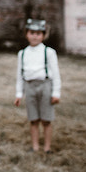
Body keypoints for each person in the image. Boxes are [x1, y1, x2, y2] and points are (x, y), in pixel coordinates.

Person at [15, 18, 61, 153]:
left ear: (43, 35)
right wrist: (19, 93)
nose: (35, 36)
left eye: (38, 33)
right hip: (30, 87)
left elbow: (56, 74)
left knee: (46, 119)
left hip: (45, 85)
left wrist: (56, 93)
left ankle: (47, 147)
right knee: (33, 119)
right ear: (26, 34)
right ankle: (35, 147)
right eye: (32, 33)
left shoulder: (49, 52)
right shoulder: (23, 53)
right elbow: (20, 75)